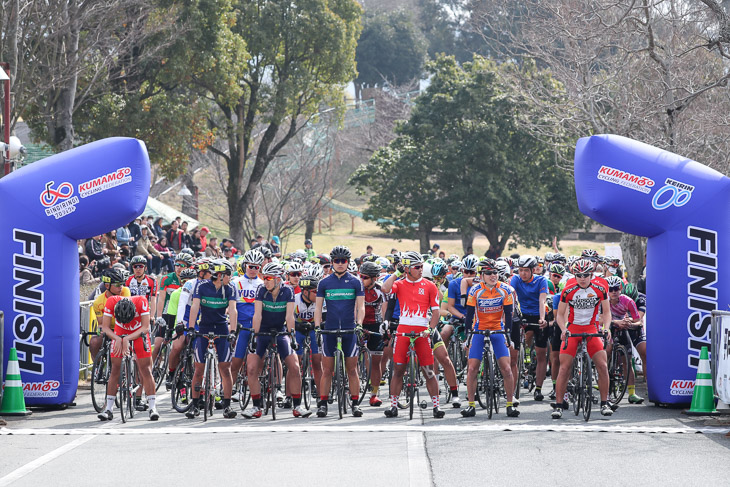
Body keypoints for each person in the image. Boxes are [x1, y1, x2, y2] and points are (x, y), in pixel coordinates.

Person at [381, 251, 445, 418]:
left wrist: (430, 330)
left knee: (428, 371)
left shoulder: (430, 286)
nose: (420, 269)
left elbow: (436, 313)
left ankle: (436, 407)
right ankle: (394, 406)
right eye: (417, 267)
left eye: (422, 267)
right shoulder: (400, 283)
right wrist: (397, 272)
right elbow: (385, 288)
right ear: (407, 269)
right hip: (403, 330)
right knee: (398, 370)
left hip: (422, 331)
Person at [243, 262, 310, 418]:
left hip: (280, 330)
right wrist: (254, 335)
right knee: (252, 367)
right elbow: (257, 315)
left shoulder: (288, 291)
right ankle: (256, 406)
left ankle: (297, 405)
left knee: (294, 366)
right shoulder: (261, 290)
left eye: (268, 278)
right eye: (263, 277)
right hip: (263, 330)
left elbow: (289, 316)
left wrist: (292, 335)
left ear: (278, 279)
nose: (264, 281)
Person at [552, 259, 614, 418]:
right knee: (564, 367)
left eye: (586, 275)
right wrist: (564, 329)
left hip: (592, 328)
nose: (582, 278)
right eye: (579, 275)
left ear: (591, 274)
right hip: (573, 329)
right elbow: (559, 315)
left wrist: (606, 329)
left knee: (602, 365)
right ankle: (559, 405)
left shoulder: (600, 289)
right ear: (574, 275)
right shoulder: (568, 290)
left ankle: (604, 403)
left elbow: (607, 313)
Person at [461, 259, 519, 417]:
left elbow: (508, 314)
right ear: (481, 275)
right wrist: (468, 336)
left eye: (495, 272)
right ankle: (471, 405)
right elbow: (470, 315)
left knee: (506, 368)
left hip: (498, 329)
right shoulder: (475, 290)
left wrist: (508, 335)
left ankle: (509, 404)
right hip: (479, 329)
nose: (493, 275)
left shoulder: (505, 289)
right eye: (489, 273)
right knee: (472, 368)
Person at [314, 245, 365, 418]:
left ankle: (355, 403)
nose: (340, 264)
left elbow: (361, 306)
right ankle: (322, 403)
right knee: (327, 370)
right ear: (332, 262)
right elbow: (318, 308)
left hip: (349, 330)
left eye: (344, 261)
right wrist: (317, 326)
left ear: (348, 262)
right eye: (337, 261)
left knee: (352, 370)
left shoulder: (355, 282)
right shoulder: (324, 282)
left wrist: (359, 323)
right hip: (329, 330)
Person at [185, 260, 238, 419]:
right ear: (220, 275)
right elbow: (195, 307)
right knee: (199, 369)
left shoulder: (230, 288)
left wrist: (233, 330)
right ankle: (195, 405)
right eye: (229, 274)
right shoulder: (202, 287)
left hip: (222, 326)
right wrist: (191, 328)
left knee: (225, 368)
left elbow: (233, 310)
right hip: (204, 326)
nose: (231, 277)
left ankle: (227, 406)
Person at [97, 296, 158, 421]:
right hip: (119, 334)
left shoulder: (141, 301)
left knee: (145, 370)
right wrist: (118, 338)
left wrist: (128, 339)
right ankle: (109, 408)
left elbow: (145, 327)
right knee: (115, 369)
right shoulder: (111, 302)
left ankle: (152, 407)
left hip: (139, 332)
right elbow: (106, 327)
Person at [509, 255, 549, 403]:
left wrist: (543, 318)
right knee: (515, 351)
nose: (523, 273)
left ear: (533, 270)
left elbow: (542, 300)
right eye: (520, 270)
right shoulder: (516, 279)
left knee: (541, 353)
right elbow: (512, 298)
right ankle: (512, 390)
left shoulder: (541, 280)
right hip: (521, 314)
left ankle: (538, 388)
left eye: (526, 270)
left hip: (538, 314)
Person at [605, 276, 646, 404]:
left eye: (616, 289)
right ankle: (604, 391)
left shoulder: (627, 301)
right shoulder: (603, 300)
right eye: (610, 289)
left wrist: (630, 324)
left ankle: (632, 393)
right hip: (609, 326)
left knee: (627, 360)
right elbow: (599, 319)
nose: (613, 292)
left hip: (624, 328)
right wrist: (616, 322)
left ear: (620, 289)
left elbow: (638, 320)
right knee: (606, 352)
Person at [230, 250, 265, 387]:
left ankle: (260, 387)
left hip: (258, 328)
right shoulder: (235, 282)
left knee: (258, 363)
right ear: (245, 265)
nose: (253, 270)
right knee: (235, 363)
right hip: (242, 327)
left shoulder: (263, 284)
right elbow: (231, 307)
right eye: (251, 266)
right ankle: (225, 391)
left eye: (256, 267)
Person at [359, 261, 387, 406]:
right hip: (359, 323)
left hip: (376, 325)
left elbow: (384, 310)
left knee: (376, 363)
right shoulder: (356, 287)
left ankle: (374, 394)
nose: (362, 279)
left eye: (365, 277)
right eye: (361, 276)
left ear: (374, 278)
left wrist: (385, 327)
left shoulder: (381, 289)